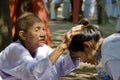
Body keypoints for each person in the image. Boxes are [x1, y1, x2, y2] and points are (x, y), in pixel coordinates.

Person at [0, 12, 82, 80]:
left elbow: (61, 66)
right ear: (23, 35)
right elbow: (34, 72)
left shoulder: (43, 49)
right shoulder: (14, 49)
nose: (43, 34)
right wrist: (62, 46)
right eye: (37, 30)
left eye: (43, 29)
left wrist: (75, 50)